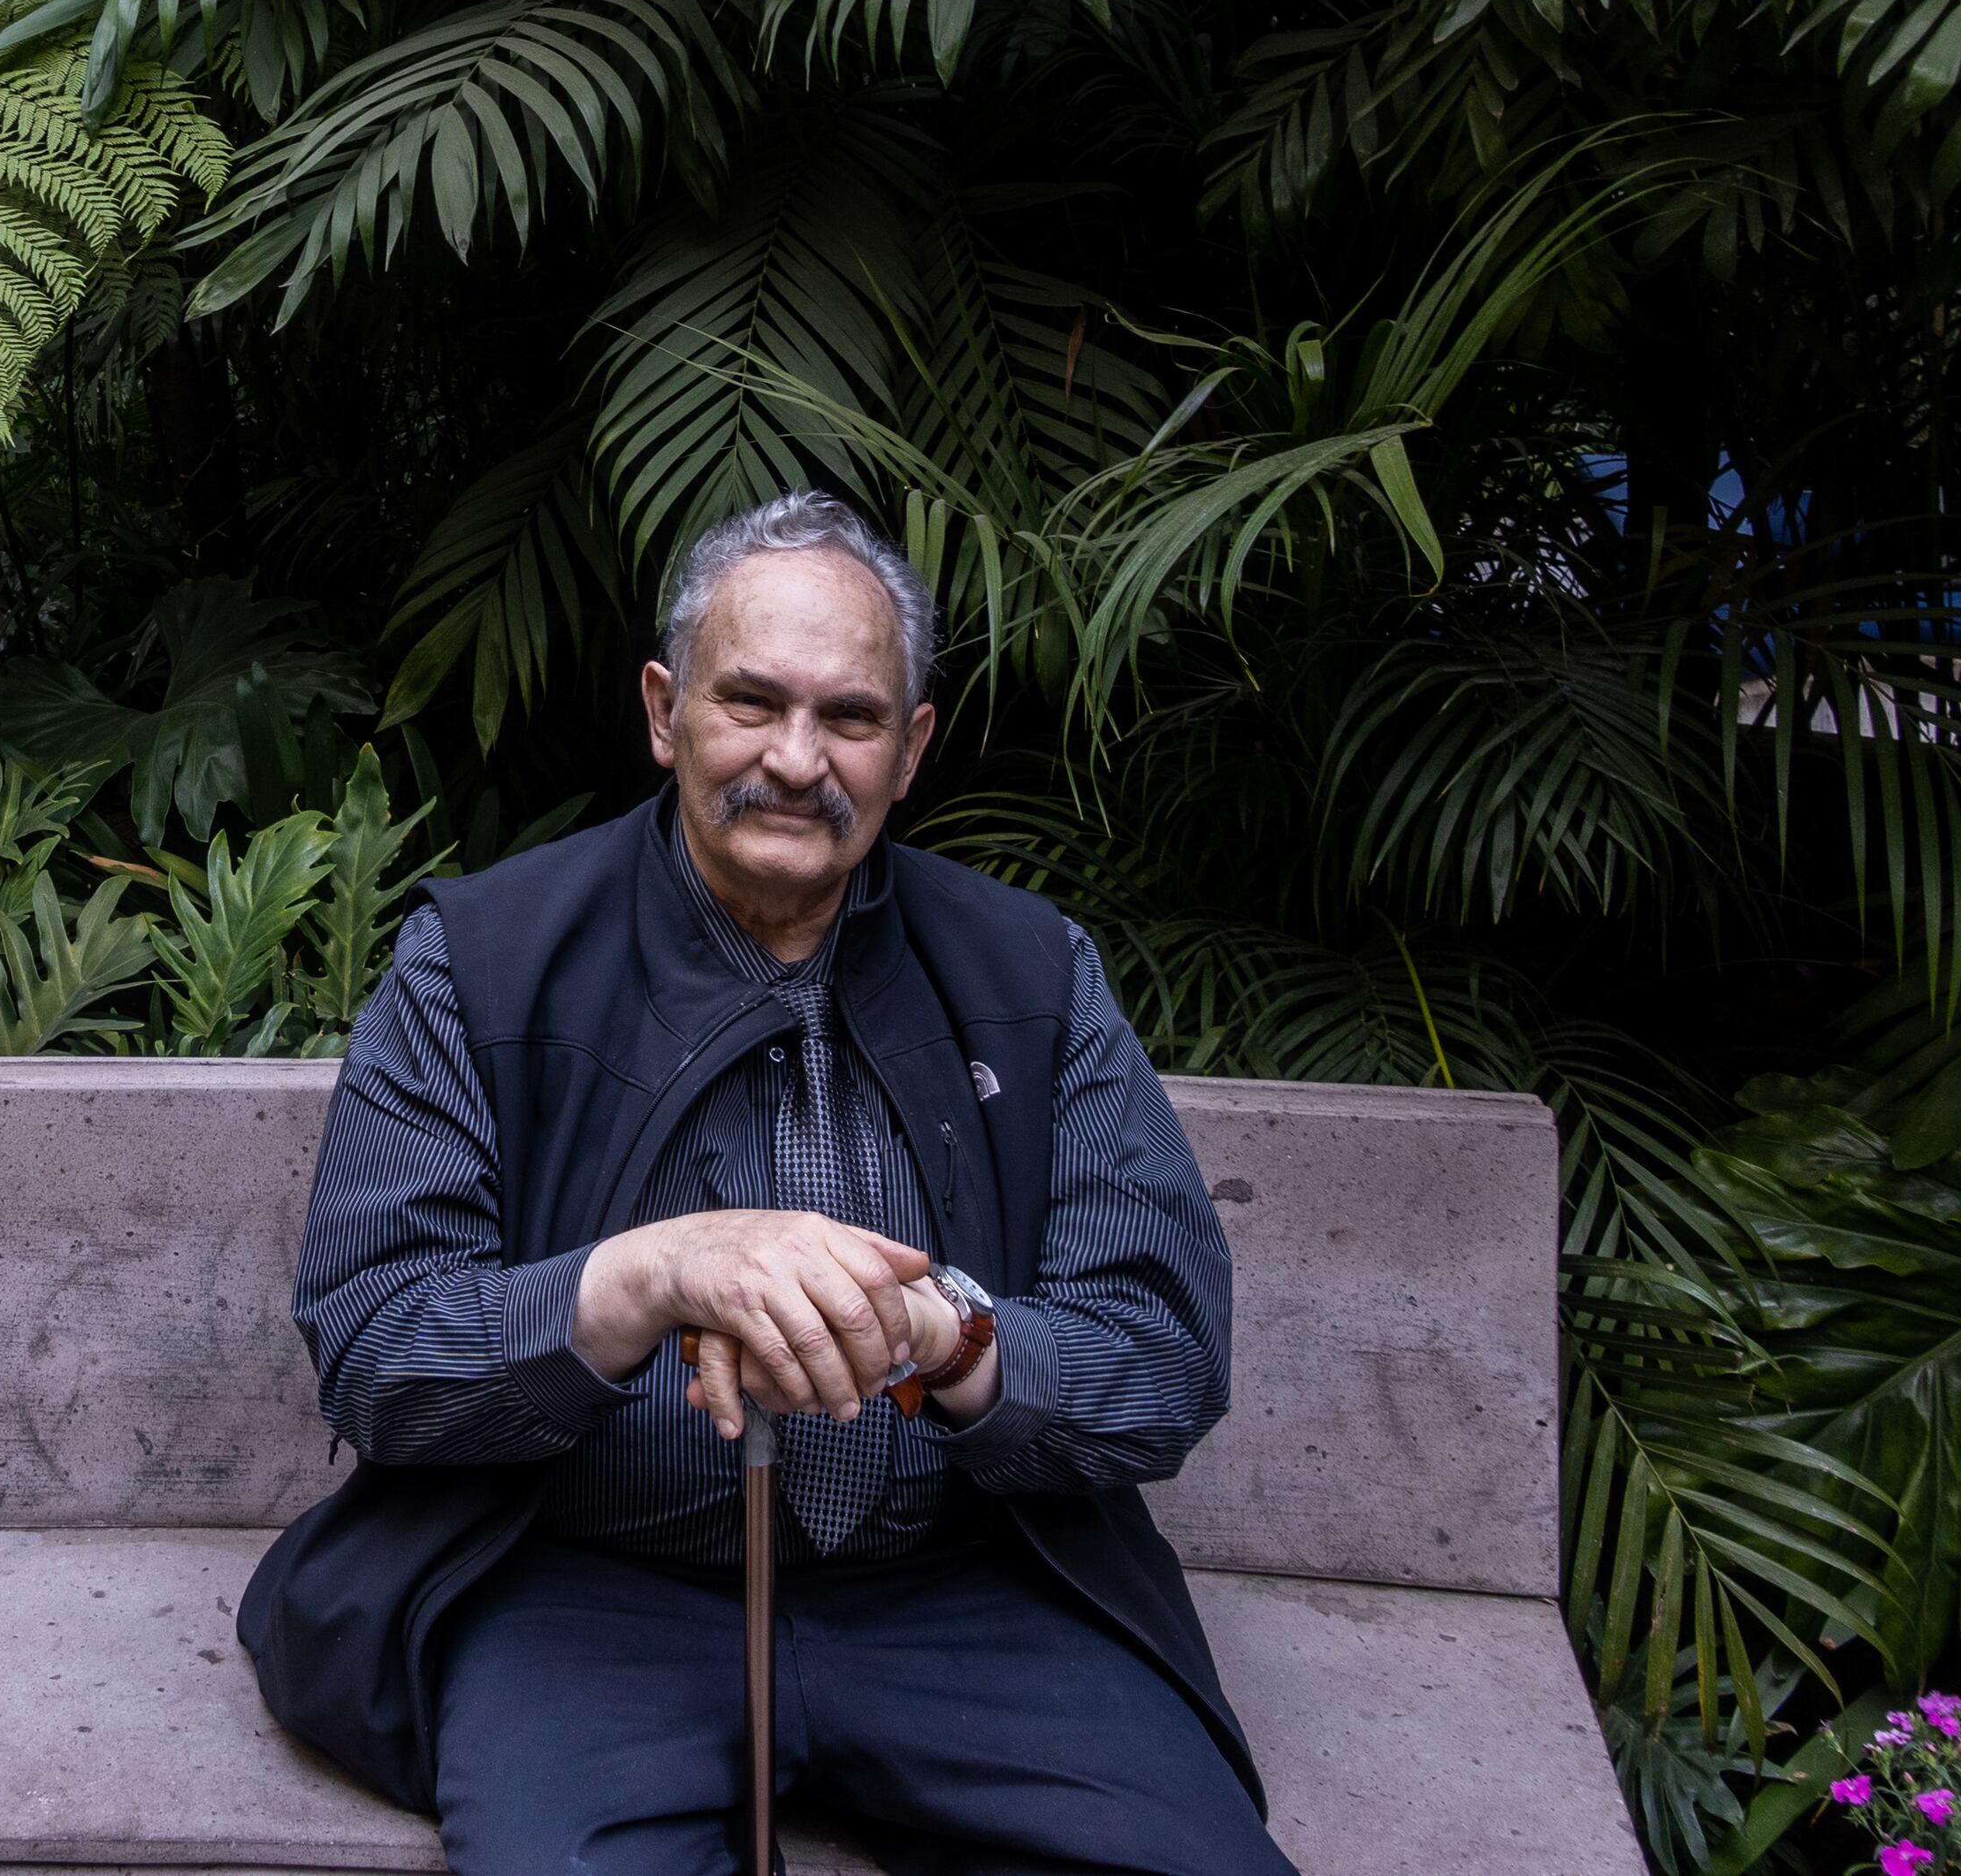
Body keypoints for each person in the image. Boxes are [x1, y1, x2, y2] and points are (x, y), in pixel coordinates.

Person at [239, 489, 1288, 1876]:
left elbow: (1163, 1356)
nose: (798, 760)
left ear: (908, 748)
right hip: (584, 1596)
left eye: (850, 717)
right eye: (753, 703)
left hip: (967, 1595)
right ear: (666, 711)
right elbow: (376, 1349)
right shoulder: (481, 963)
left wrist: (938, 1333)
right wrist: (646, 1276)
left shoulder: (1032, 975)